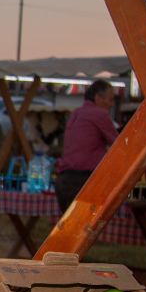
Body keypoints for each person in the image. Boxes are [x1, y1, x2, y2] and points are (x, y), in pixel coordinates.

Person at [54, 79, 119, 212]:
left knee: (69, 228)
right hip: (83, 179)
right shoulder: (99, 114)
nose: (111, 104)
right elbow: (119, 145)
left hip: (64, 178)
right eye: (110, 99)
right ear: (98, 98)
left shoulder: (76, 113)